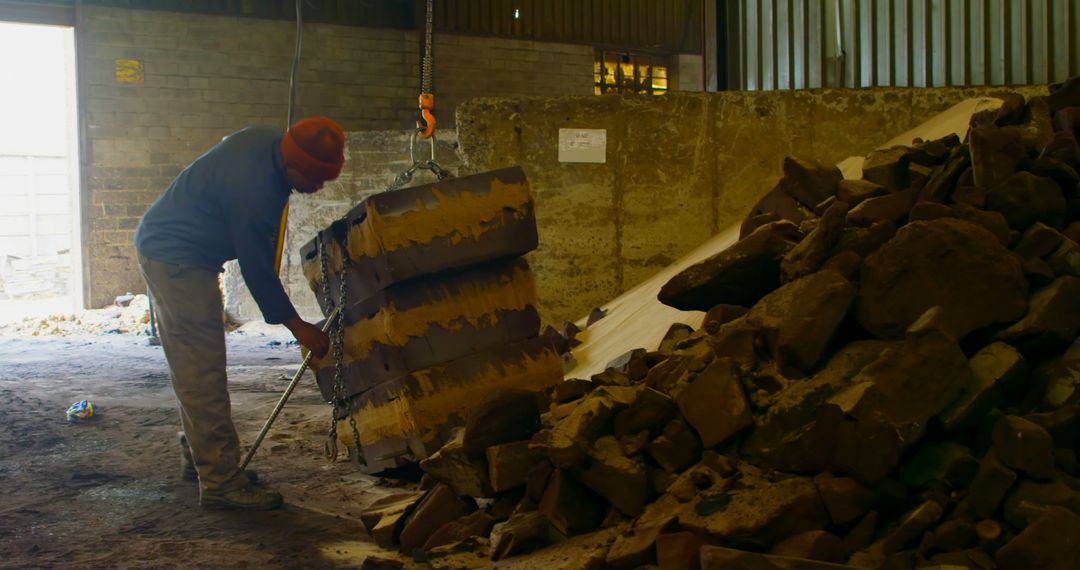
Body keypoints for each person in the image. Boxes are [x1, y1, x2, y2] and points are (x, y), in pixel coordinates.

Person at [135, 116, 344, 510]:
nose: (317, 189)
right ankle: (221, 483)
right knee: (201, 368)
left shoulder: (266, 141)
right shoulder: (254, 191)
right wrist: (297, 326)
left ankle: (200, 456)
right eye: (314, 179)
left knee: (198, 363)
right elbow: (255, 267)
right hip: (177, 258)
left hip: (183, 250)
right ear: (292, 165)